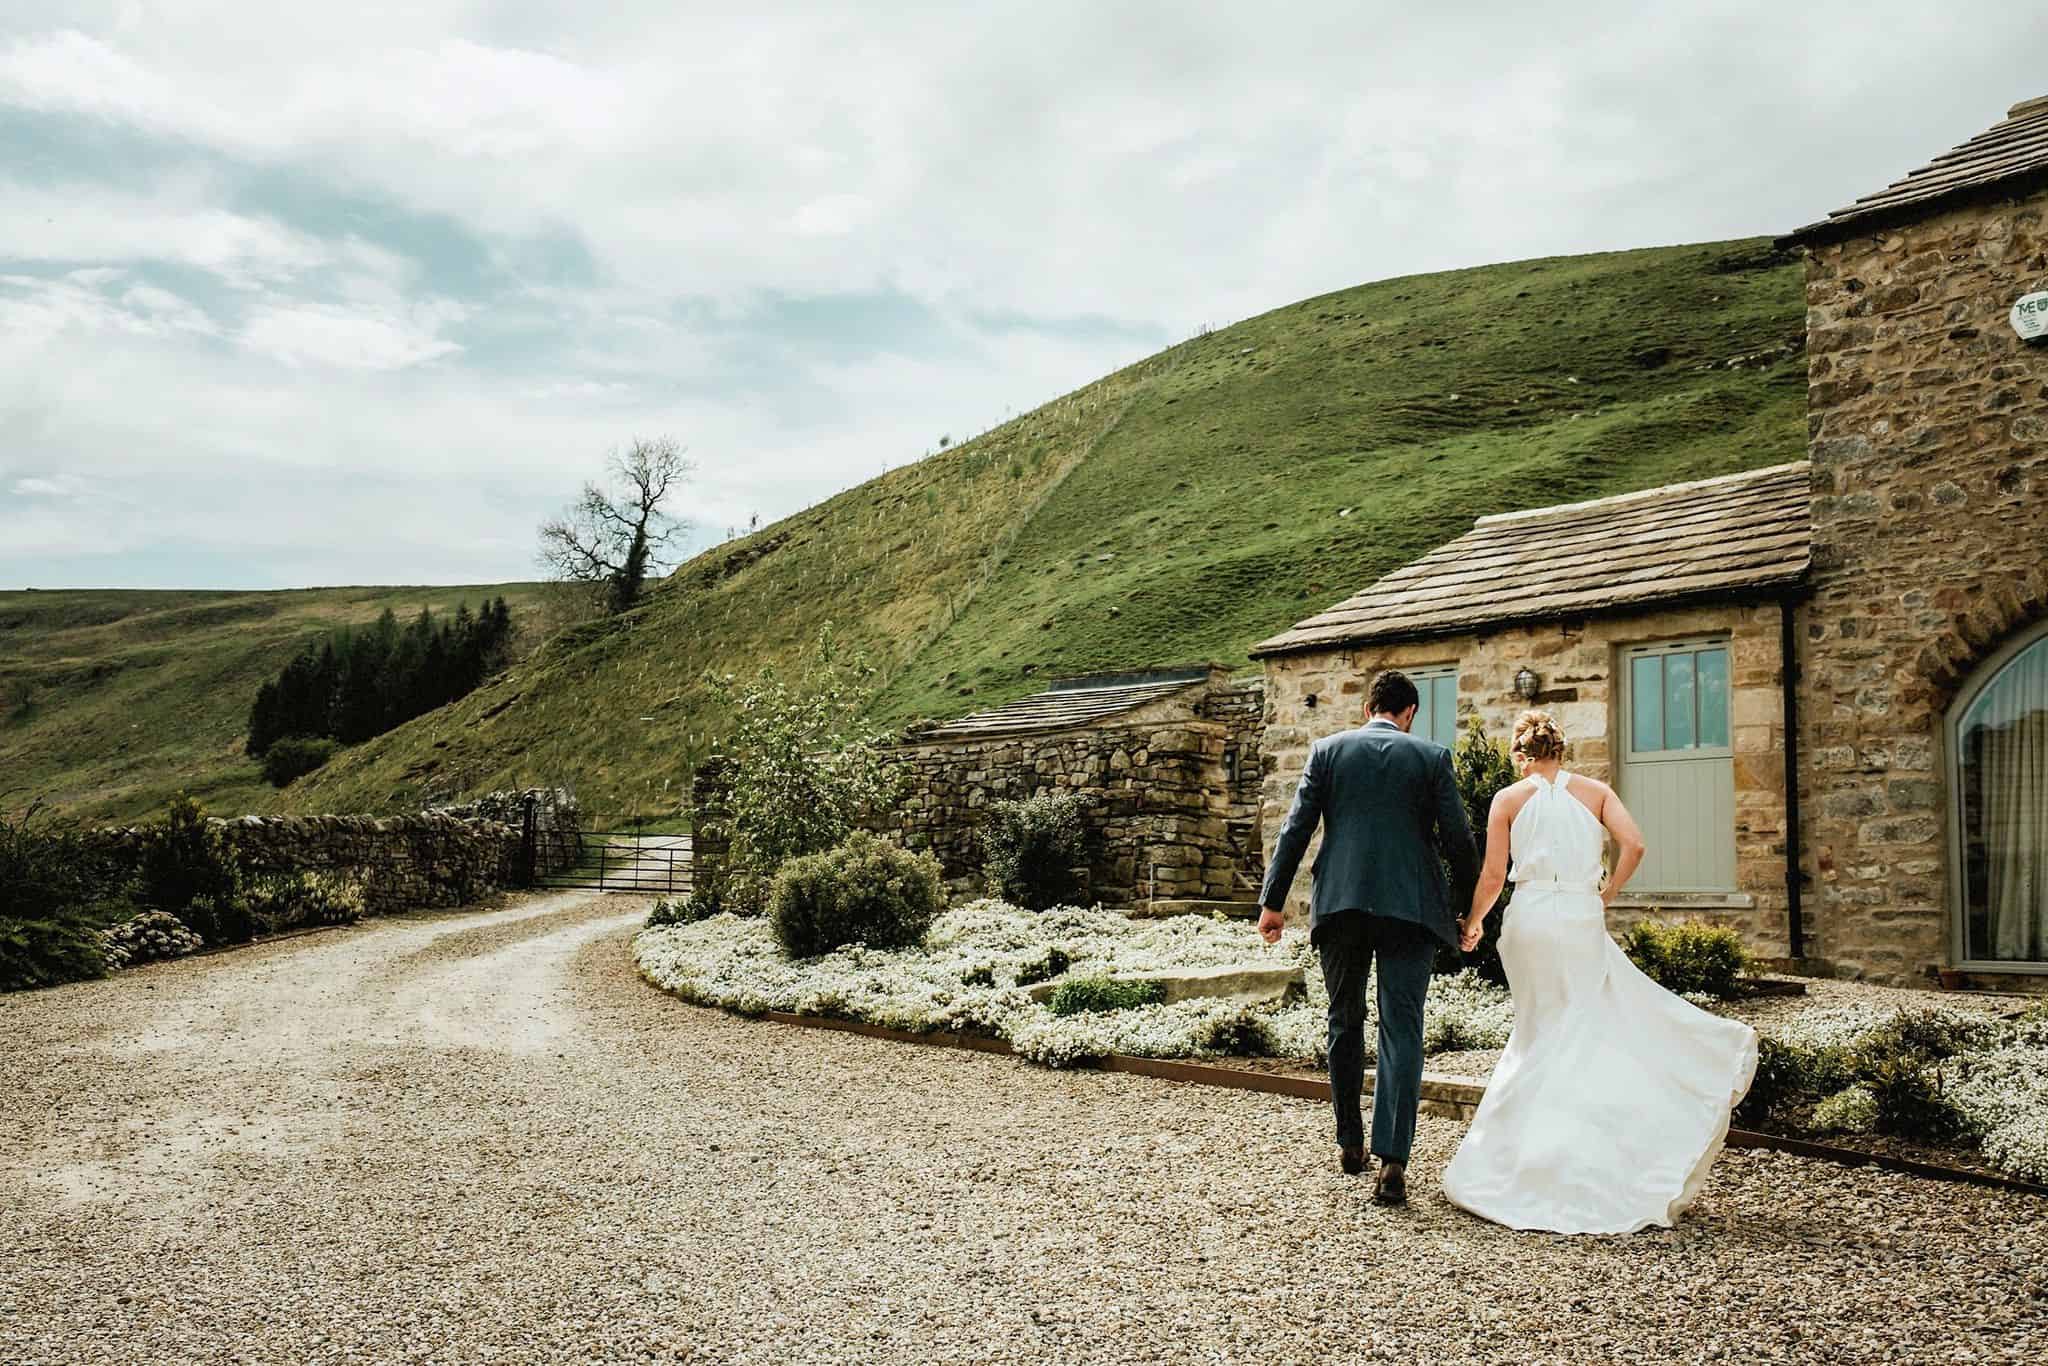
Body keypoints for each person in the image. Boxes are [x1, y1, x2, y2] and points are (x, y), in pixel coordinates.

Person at [1441, 710, 1758, 1233]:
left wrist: (1473, 922)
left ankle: (1527, 1163)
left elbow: (1494, 874)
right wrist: (1608, 894)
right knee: (1579, 1029)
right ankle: (1586, 1162)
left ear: (1521, 755)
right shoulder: (1597, 792)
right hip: (1580, 917)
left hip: (1532, 918)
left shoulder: (1508, 800)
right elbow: (1634, 844)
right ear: (1561, 751)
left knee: (1537, 1033)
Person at [1256, 669, 1478, 1205]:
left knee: (1344, 1019)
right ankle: (1393, 1160)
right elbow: (1458, 840)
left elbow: (1296, 829)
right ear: (1409, 715)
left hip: (1343, 904)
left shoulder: (1327, 752)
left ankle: (1349, 1143)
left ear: (1367, 709)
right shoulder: (1431, 758)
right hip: (1411, 908)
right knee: (1402, 1028)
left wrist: (1272, 902)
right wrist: (1470, 913)